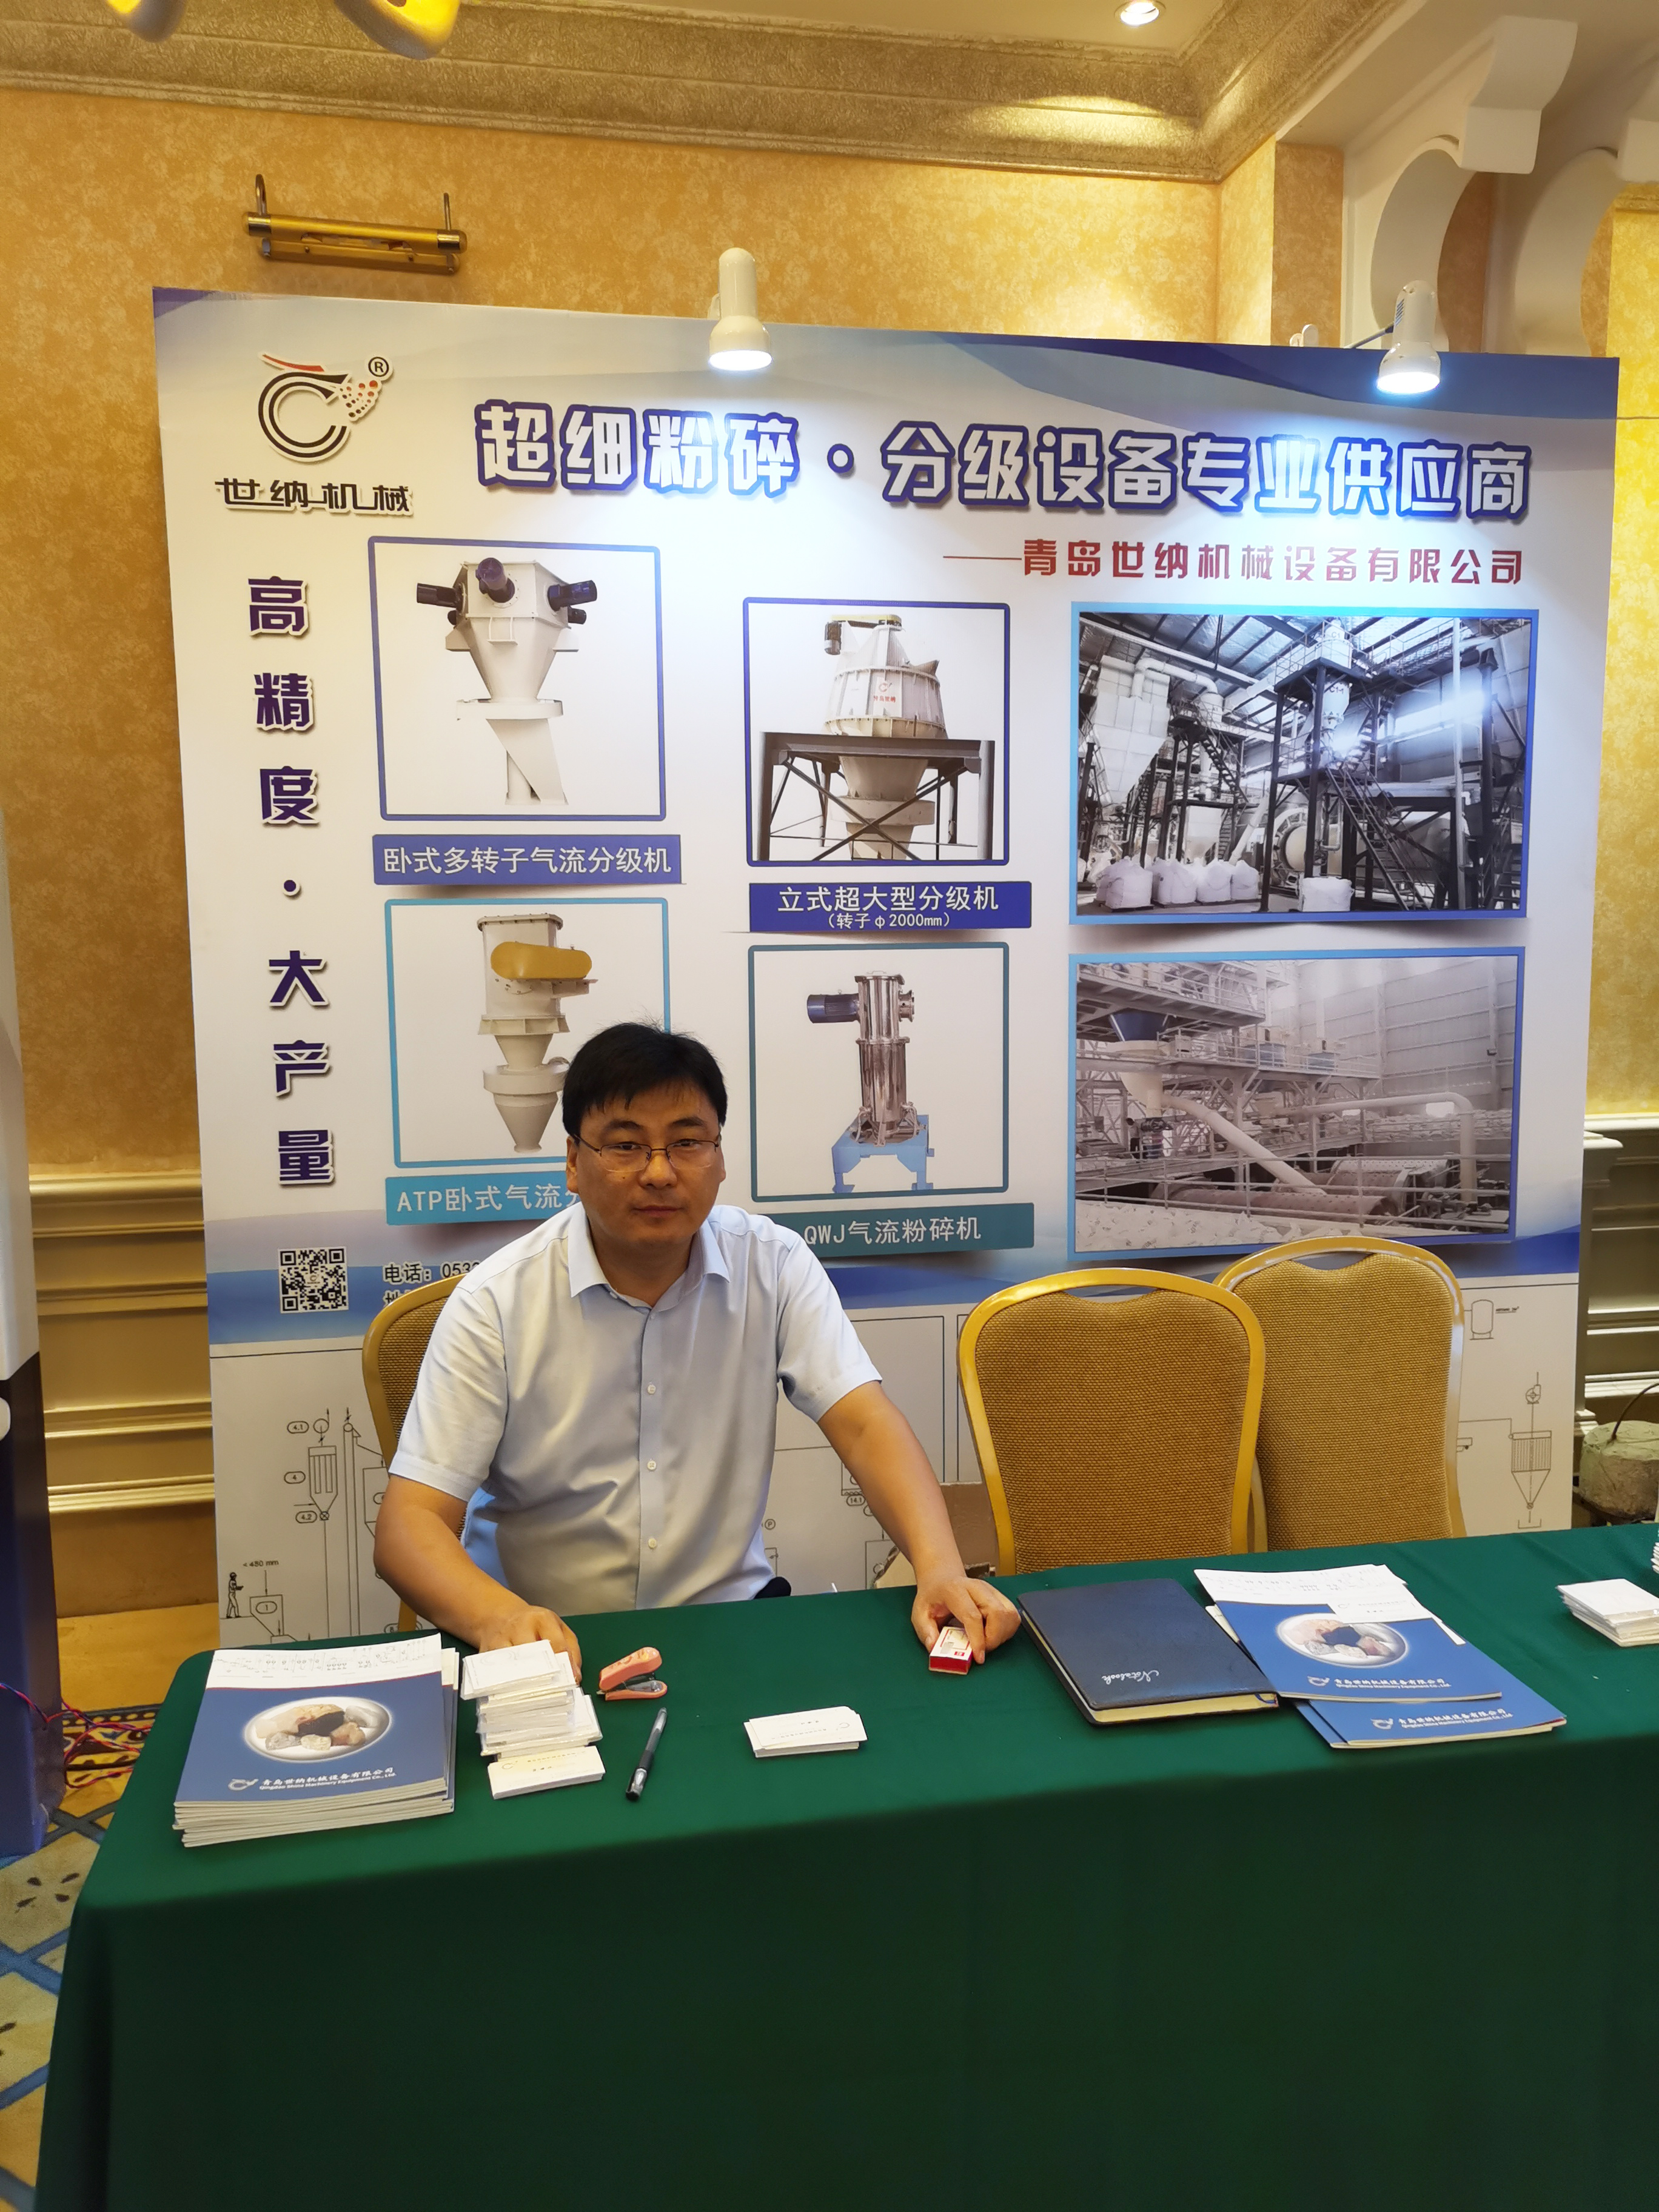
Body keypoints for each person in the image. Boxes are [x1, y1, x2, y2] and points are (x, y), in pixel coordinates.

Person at [375, 1022, 1020, 1678]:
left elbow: (864, 1423)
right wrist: (499, 1618)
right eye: (626, 1145)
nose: (659, 1172)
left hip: (729, 1626)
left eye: (686, 1142)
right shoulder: (496, 1302)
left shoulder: (773, 1264)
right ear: (572, 1161)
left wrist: (939, 1567)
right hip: (548, 1639)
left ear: (719, 1157)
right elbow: (410, 1526)